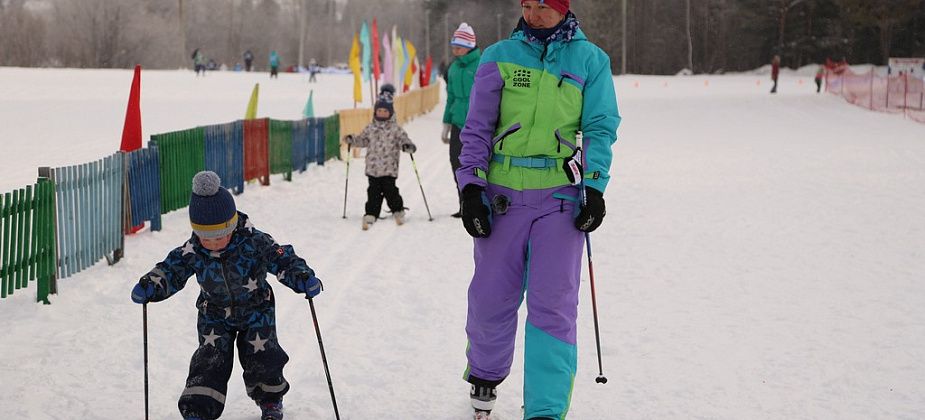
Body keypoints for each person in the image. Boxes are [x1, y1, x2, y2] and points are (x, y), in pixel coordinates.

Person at [454, 1, 620, 419]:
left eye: (543, 6)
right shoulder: (498, 57)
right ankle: (484, 374)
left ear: (563, 8)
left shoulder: (590, 60)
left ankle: (545, 408)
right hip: (502, 197)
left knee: (554, 303)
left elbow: (600, 126)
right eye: (527, 5)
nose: (533, 14)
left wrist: (595, 187)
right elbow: (476, 128)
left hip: (560, 200)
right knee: (492, 295)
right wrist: (471, 188)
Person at [129, 171, 323, 420]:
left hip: (256, 312)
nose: (212, 243)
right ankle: (198, 410)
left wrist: (303, 277)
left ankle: (271, 401)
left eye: (220, 236)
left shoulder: (254, 242)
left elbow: (281, 258)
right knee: (209, 360)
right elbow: (171, 269)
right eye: (205, 237)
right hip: (214, 315)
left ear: (231, 225)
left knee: (263, 356)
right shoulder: (193, 250)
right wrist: (152, 284)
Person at [344, 85, 417, 230]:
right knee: (373, 192)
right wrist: (352, 140)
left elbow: (404, 140)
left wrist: (407, 146)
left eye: (385, 111)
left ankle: (398, 210)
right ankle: (371, 213)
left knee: (391, 191)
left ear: (390, 113)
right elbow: (362, 140)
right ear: (375, 112)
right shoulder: (370, 128)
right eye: (379, 110)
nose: (382, 113)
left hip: (390, 168)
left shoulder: (395, 129)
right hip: (373, 168)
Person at [442, 22, 481, 218]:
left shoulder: (482, 65)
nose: (454, 50)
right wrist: (446, 123)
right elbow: (450, 97)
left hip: (479, 126)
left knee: (477, 165)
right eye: (453, 46)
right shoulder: (453, 68)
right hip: (458, 124)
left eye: (458, 46)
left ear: (468, 46)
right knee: (456, 163)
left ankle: (481, 203)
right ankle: (464, 204)